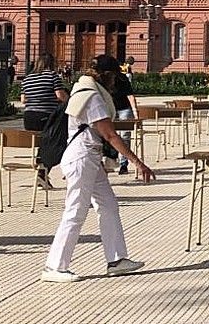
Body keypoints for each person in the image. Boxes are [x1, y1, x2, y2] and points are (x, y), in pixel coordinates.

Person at [43, 54, 155, 283]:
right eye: (114, 76)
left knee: (109, 206)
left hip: (89, 158)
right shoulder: (91, 97)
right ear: (107, 76)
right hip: (82, 158)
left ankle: (116, 260)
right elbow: (109, 134)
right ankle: (54, 266)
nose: (115, 82)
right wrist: (138, 163)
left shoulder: (82, 89)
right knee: (75, 211)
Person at [20, 53, 70, 189]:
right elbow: (60, 95)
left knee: (42, 143)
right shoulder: (52, 76)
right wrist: (70, 101)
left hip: (29, 117)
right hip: (47, 116)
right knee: (56, 142)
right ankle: (42, 172)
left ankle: (42, 173)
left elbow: (23, 100)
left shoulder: (27, 78)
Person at [107, 65, 139, 175]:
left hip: (124, 109)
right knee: (109, 136)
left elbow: (130, 95)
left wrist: (135, 111)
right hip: (110, 110)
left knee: (125, 136)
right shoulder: (103, 80)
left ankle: (123, 164)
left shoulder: (123, 79)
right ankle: (110, 161)